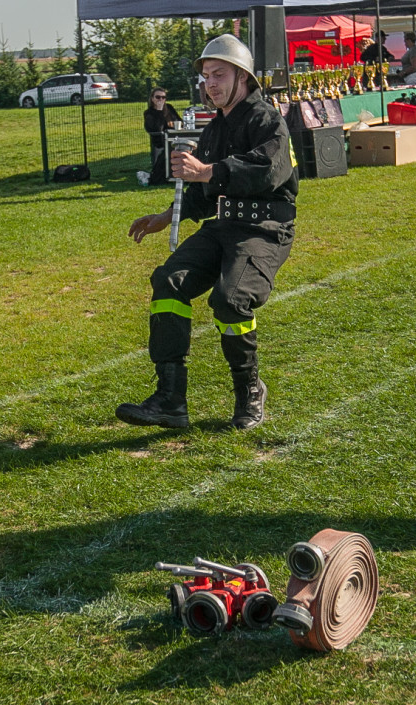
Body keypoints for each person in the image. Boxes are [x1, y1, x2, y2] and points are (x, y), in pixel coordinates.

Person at [116, 34, 297, 431]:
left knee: (230, 300)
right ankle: (170, 400)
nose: (210, 84)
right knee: (169, 281)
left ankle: (249, 389)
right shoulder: (214, 129)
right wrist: (166, 215)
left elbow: (267, 171)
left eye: (219, 74)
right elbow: (204, 192)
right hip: (221, 226)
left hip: (264, 229)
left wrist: (208, 170)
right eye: (206, 77)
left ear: (244, 77)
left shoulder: (267, 119)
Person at [143, 87, 181, 186]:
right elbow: (157, 129)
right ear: (152, 99)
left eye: (163, 97)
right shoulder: (149, 113)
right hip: (161, 141)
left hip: (175, 137)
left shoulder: (169, 108)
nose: (161, 100)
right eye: (158, 97)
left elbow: (179, 121)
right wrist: (159, 111)